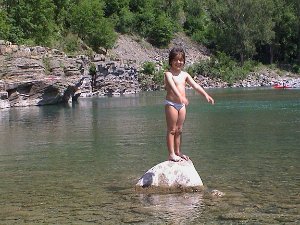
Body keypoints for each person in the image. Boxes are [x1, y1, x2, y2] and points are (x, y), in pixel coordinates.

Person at [164, 47, 215, 162]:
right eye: (176, 60)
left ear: (184, 61)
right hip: (171, 104)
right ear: (171, 61)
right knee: (171, 129)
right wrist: (181, 97)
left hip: (181, 106)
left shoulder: (185, 75)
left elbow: (195, 86)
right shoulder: (168, 74)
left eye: (181, 60)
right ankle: (171, 154)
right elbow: (172, 86)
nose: (178, 62)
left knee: (179, 130)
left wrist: (206, 95)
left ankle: (178, 152)